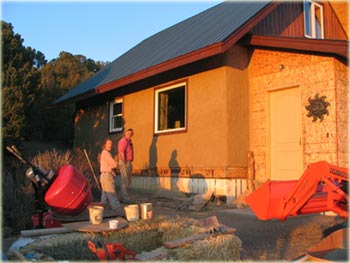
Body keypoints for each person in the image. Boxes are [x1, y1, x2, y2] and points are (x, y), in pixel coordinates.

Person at [99, 138, 124, 216]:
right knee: (112, 195)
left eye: (111, 144)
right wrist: (120, 161)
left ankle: (104, 213)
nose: (110, 145)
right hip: (106, 177)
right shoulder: (106, 153)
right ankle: (120, 214)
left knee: (105, 196)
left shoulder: (105, 153)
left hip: (103, 176)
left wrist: (112, 171)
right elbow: (113, 164)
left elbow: (107, 166)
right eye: (108, 143)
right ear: (104, 145)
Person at [118, 128, 134, 203]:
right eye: (128, 133)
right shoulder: (123, 141)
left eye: (131, 133)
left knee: (127, 180)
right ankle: (125, 198)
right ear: (125, 133)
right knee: (125, 180)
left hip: (128, 162)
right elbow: (121, 152)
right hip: (124, 162)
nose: (129, 134)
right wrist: (124, 163)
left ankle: (120, 197)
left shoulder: (129, 142)